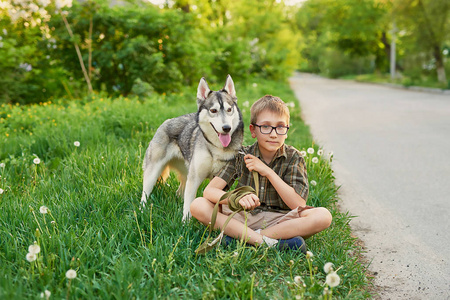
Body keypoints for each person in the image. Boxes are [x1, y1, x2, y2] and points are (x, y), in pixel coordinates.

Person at [190, 95, 332, 252]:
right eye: (265, 127)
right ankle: (269, 242)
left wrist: (268, 172)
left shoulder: (294, 157)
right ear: (253, 130)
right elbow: (209, 191)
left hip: (279, 221)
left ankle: (245, 238)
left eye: (280, 127)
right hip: (242, 216)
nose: (273, 134)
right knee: (198, 205)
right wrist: (236, 198)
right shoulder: (240, 155)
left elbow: (298, 204)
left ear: (286, 130)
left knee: (323, 216)